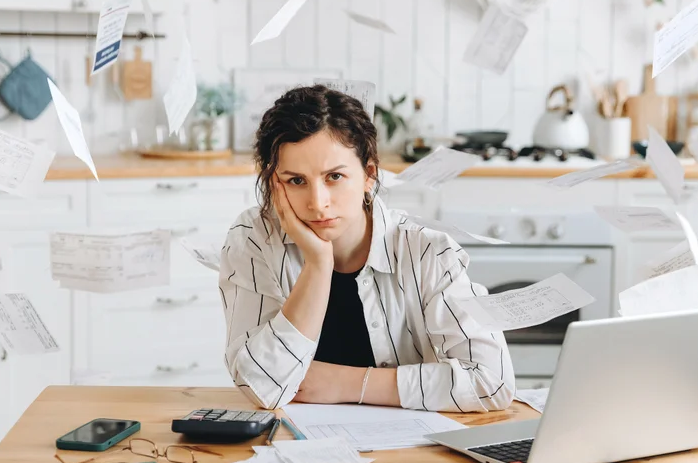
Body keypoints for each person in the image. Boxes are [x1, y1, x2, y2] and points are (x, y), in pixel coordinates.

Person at [219, 85, 514, 412]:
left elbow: (492, 382)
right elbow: (261, 387)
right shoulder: (253, 238)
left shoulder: (427, 251)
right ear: (274, 182)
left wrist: (347, 384)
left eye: (334, 176)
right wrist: (318, 264)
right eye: (296, 180)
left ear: (369, 175)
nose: (318, 204)